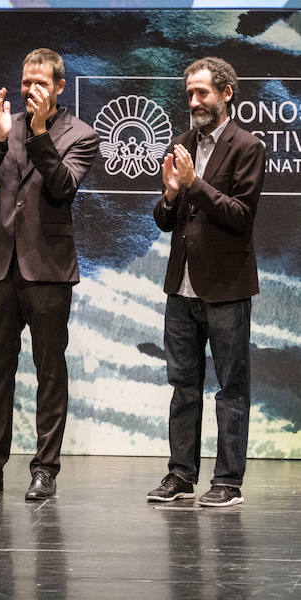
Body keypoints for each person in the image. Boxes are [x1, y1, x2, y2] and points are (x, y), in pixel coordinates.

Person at [0, 48, 99, 501]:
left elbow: (63, 187)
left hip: (47, 270)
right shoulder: (5, 125)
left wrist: (42, 133)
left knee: (49, 371)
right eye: (26, 81)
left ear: (60, 87)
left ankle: (44, 470)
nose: (31, 89)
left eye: (40, 82)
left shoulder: (81, 134)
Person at [146, 57, 265, 507]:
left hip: (226, 288)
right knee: (183, 384)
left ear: (226, 93)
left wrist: (194, 185)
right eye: (190, 94)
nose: (194, 101)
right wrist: (173, 194)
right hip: (182, 287)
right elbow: (163, 220)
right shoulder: (180, 143)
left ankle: (228, 482)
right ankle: (180, 475)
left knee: (232, 387)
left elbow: (240, 217)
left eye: (203, 93)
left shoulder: (246, 147)